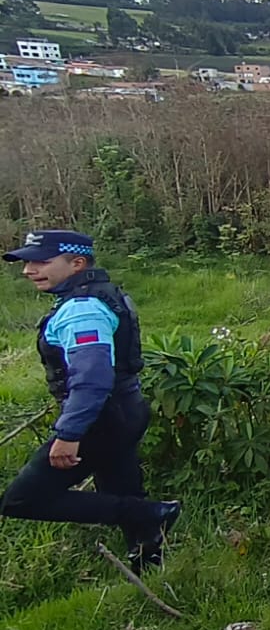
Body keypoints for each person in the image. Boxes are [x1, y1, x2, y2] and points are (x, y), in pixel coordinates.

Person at [1, 230, 179, 571]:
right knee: (121, 486)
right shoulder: (100, 295)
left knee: (23, 499)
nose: (28, 270)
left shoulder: (82, 310)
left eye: (41, 261)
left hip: (101, 418)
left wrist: (69, 434)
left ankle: (154, 515)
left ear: (77, 263)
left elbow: (93, 378)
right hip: (124, 409)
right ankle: (149, 559)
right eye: (27, 262)